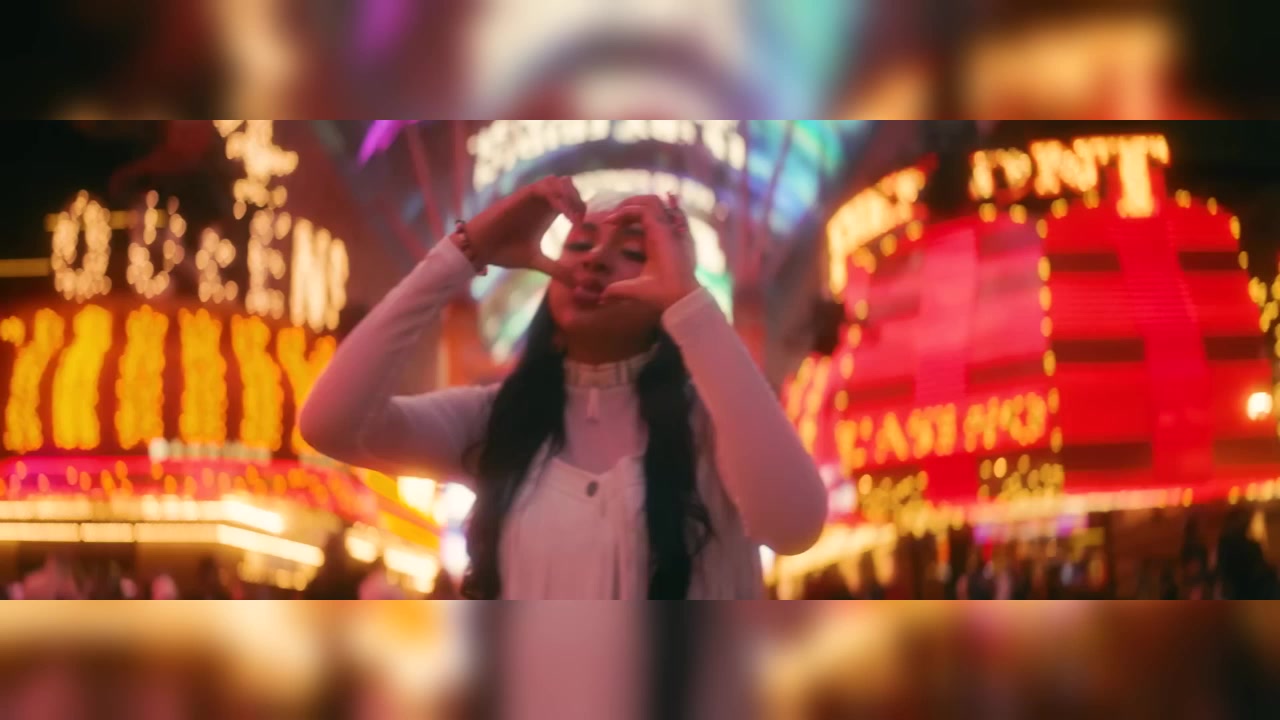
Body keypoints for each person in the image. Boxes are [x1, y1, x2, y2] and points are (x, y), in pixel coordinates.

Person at [301, 178, 827, 599]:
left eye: (634, 253)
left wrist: (690, 303)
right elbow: (329, 424)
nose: (594, 259)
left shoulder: (717, 425)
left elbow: (794, 524)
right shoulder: (494, 420)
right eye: (579, 244)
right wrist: (465, 250)